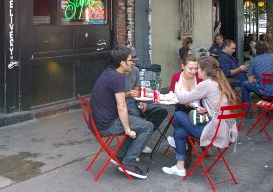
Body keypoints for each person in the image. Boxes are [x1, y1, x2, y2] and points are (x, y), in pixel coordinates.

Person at [162, 56, 237, 177]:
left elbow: (182, 98)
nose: (196, 71)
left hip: (212, 131)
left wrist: (177, 88)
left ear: (205, 72)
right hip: (224, 130)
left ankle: (179, 151)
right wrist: (205, 110)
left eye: (198, 69)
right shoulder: (219, 82)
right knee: (179, 133)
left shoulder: (207, 84)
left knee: (178, 114)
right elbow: (216, 105)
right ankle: (179, 167)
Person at [90, 46, 153, 179]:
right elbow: (121, 107)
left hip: (98, 122)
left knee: (138, 123)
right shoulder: (117, 77)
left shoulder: (109, 72)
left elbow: (118, 98)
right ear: (122, 63)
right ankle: (128, 162)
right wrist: (128, 130)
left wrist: (129, 96)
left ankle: (119, 154)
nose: (133, 63)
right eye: (130, 60)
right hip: (106, 124)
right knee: (147, 126)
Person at [124, 46, 168, 154]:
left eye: (135, 61)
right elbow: (115, 96)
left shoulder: (135, 70)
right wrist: (128, 95)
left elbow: (137, 90)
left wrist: (141, 101)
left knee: (161, 111)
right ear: (123, 61)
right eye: (132, 61)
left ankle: (140, 140)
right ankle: (133, 147)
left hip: (134, 101)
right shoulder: (116, 73)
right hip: (123, 105)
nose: (134, 63)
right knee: (136, 115)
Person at [241, 41, 273, 118]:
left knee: (244, 84)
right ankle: (270, 111)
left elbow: (250, 81)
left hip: (263, 90)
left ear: (256, 50)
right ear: (267, 48)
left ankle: (247, 111)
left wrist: (258, 79)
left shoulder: (254, 61)